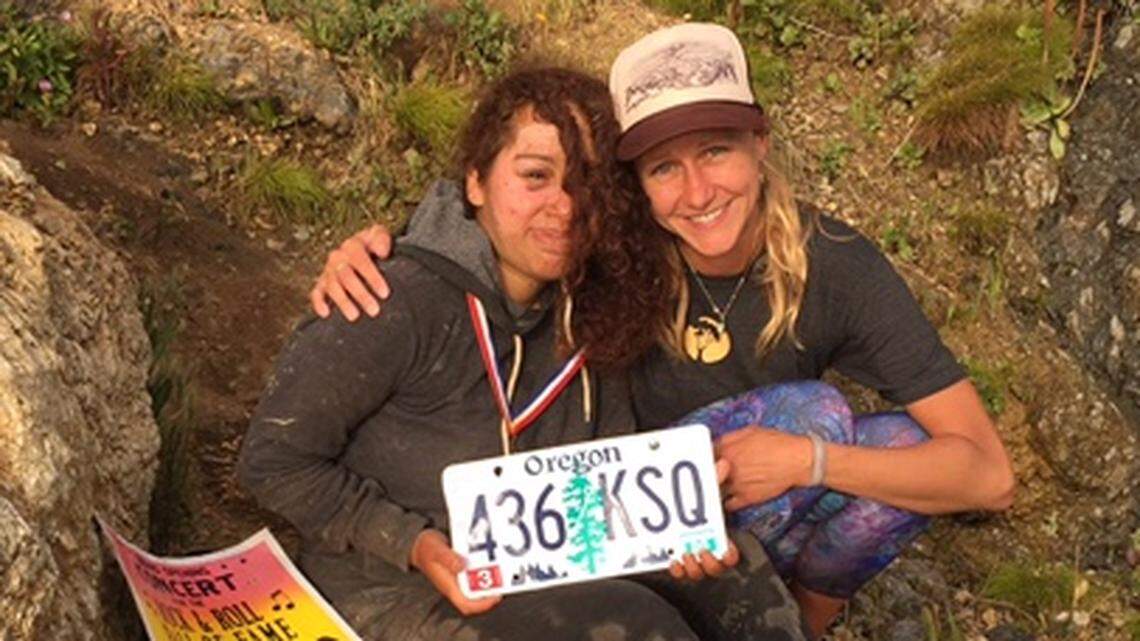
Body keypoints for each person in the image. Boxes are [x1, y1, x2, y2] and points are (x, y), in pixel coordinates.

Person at [309, 23, 1015, 639]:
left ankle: (804, 616)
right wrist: (385, 249)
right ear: (633, 181)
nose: (697, 193)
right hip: (623, 517)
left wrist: (811, 463)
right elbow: (499, 227)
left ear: (759, 144)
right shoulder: (609, 239)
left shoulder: (837, 264)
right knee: (819, 410)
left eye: (715, 151)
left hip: (743, 487)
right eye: (663, 168)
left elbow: (989, 475)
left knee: (880, 440)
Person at [239, 66, 809, 641]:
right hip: (397, 593)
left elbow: (609, 484)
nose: (565, 206)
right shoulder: (390, 299)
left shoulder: (596, 308)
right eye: (535, 176)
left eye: (587, 182)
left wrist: (672, 536)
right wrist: (413, 544)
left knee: (740, 574)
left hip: (544, 571)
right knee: (635, 628)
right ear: (476, 182)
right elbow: (271, 460)